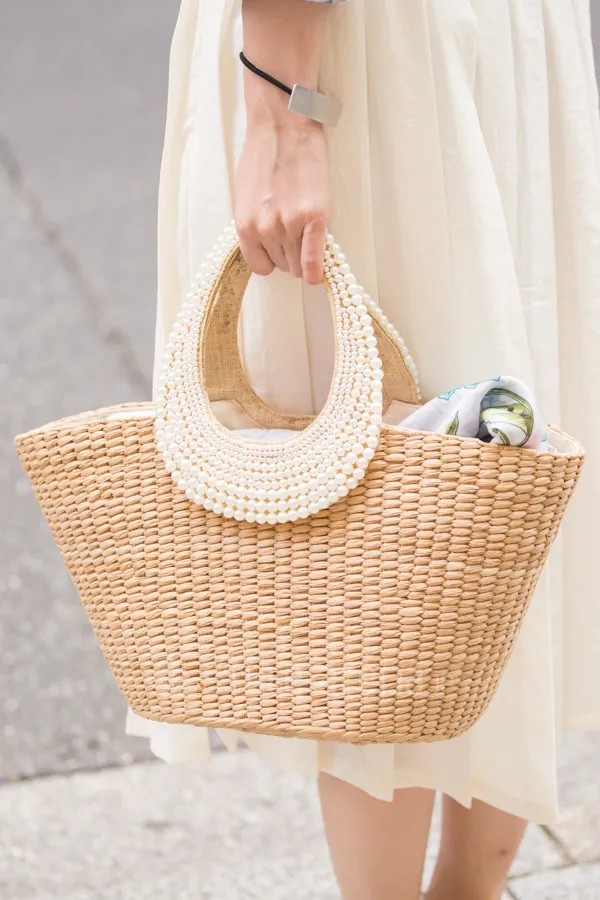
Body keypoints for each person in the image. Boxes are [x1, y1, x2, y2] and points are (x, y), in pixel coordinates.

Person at [129, 1, 600, 896]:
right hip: (512, 36)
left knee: (374, 541)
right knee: (492, 476)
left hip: (366, 54)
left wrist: (283, 104)